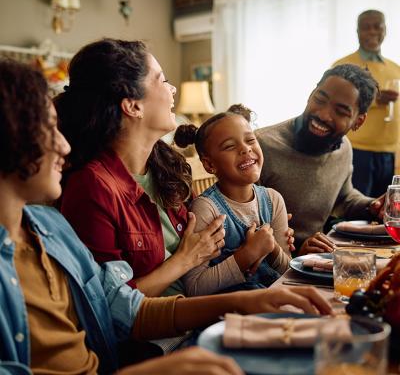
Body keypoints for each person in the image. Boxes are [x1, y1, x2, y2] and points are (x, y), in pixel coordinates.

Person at [0, 58, 332, 374]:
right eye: (47, 129)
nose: (64, 146)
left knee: (324, 342)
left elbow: (127, 308)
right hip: (163, 345)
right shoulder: (92, 187)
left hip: (186, 327)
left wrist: (251, 299)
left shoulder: (50, 228)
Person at [56, 39, 294, 298]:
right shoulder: (91, 187)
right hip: (166, 334)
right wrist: (185, 260)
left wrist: (264, 237)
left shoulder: (166, 166)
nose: (173, 90)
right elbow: (108, 306)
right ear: (133, 106)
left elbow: (207, 242)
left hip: (202, 311)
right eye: (162, 80)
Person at [256, 64, 384, 255]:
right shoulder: (260, 147)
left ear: (358, 121)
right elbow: (242, 229)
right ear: (310, 94)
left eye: (341, 112)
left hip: (315, 260)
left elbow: (344, 199)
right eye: (320, 99)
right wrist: (296, 253)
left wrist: (376, 206)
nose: (323, 114)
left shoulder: (344, 148)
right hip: (273, 269)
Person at [174, 105, 291, 296]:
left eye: (250, 140)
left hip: (274, 304)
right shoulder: (206, 209)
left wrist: (273, 249)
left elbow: (288, 272)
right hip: (226, 315)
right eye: (230, 146)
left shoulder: (273, 199)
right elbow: (195, 287)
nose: (245, 149)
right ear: (210, 164)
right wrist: (247, 255)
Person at [333, 10, 400, 197]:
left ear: (385, 30)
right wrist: (374, 100)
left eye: (377, 26)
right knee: (356, 212)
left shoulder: (396, 69)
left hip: (390, 152)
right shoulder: (343, 65)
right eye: (366, 27)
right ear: (357, 32)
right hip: (356, 150)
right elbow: (335, 103)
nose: (372, 32)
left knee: (383, 211)